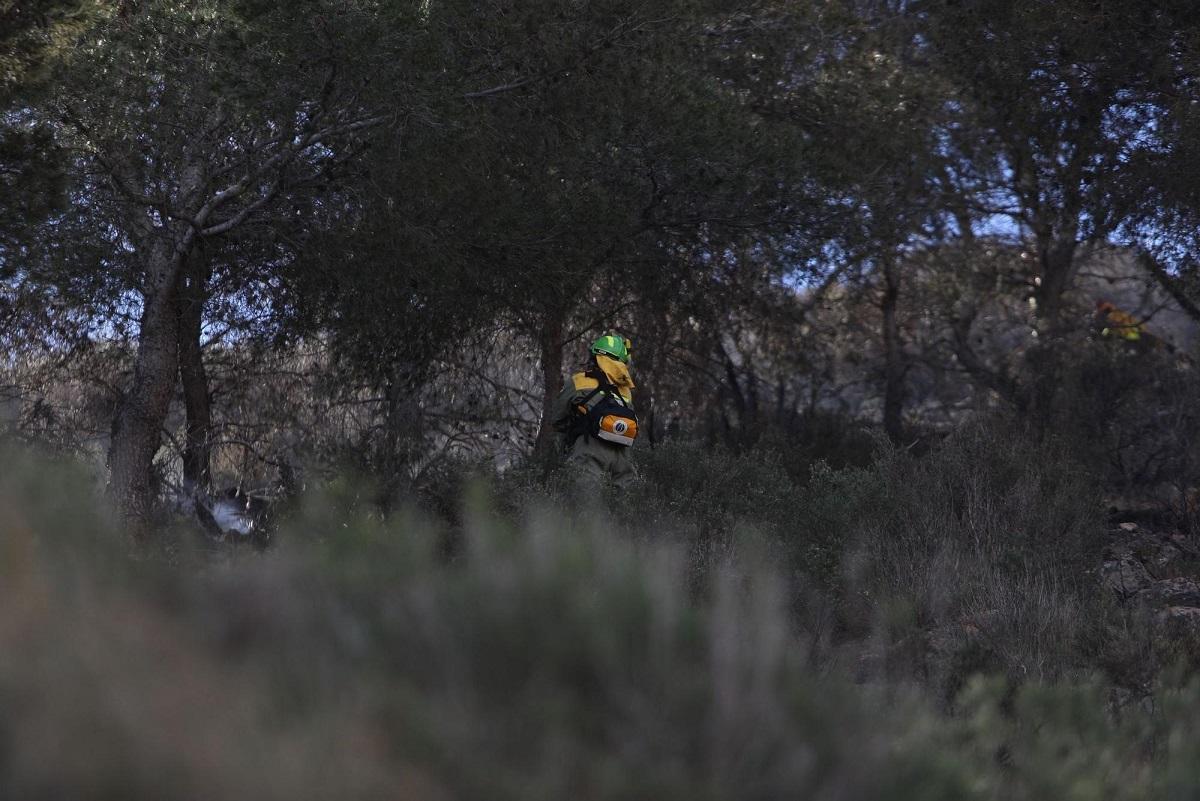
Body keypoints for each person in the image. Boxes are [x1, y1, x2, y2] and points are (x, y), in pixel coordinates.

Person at [552, 333, 639, 488]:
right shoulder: (626, 391)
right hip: (623, 458)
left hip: (588, 450)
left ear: (596, 357)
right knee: (625, 507)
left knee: (586, 506)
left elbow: (557, 418)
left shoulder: (579, 381)